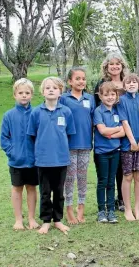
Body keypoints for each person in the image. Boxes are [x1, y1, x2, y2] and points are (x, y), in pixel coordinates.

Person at [27, 77, 76, 234]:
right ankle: (46, 221)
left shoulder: (66, 112)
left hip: (61, 159)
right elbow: (32, 135)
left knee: (59, 192)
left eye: (54, 88)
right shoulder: (36, 112)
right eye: (47, 88)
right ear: (42, 92)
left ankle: (58, 220)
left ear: (60, 91)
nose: (51, 90)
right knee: (45, 192)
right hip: (43, 160)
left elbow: (69, 134)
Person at [0, 78, 39, 230]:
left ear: (32, 95)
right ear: (14, 95)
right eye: (20, 93)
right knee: (17, 188)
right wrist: (12, 153)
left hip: (34, 160)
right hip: (16, 161)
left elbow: (41, 135)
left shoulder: (37, 113)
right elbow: (4, 138)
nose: (24, 95)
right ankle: (18, 220)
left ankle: (31, 218)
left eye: (27, 93)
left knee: (31, 188)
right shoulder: (8, 115)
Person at [59, 67, 95, 224]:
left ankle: (81, 207)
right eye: (78, 78)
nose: (81, 81)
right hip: (69, 145)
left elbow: (94, 119)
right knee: (69, 178)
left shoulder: (90, 98)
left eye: (83, 78)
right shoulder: (64, 98)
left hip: (86, 144)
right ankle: (68, 209)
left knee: (82, 177)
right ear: (70, 81)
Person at [94, 53, 129, 212]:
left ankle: (121, 199)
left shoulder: (127, 83)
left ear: (122, 66)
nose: (115, 67)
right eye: (111, 64)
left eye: (118, 64)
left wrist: (117, 132)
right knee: (107, 173)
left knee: (122, 167)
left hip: (124, 130)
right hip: (105, 134)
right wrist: (106, 132)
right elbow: (97, 109)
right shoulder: (102, 84)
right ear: (106, 67)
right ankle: (106, 202)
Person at [117, 73, 139, 221]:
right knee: (128, 176)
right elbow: (124, 121)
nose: (131, 84)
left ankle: (137, 208)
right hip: (127, 145)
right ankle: (128, 209)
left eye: (134, 82)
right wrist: (132, 140)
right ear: (124, 86)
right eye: (128, 82)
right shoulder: (121, 101)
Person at [93, 82, 126, 223]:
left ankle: (111, 210)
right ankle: (101, 211)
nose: (110, 97)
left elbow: (123, 131)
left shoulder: (117, 111)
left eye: (113, 94)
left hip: (115, 151)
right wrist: (116, 129)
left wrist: (111, 133)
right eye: (106, 95)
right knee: (103, 181)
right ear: (100, 96)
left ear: (117, 95)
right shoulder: (98, 111)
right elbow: (102, 130)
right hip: (101, 152)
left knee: (112, 182)